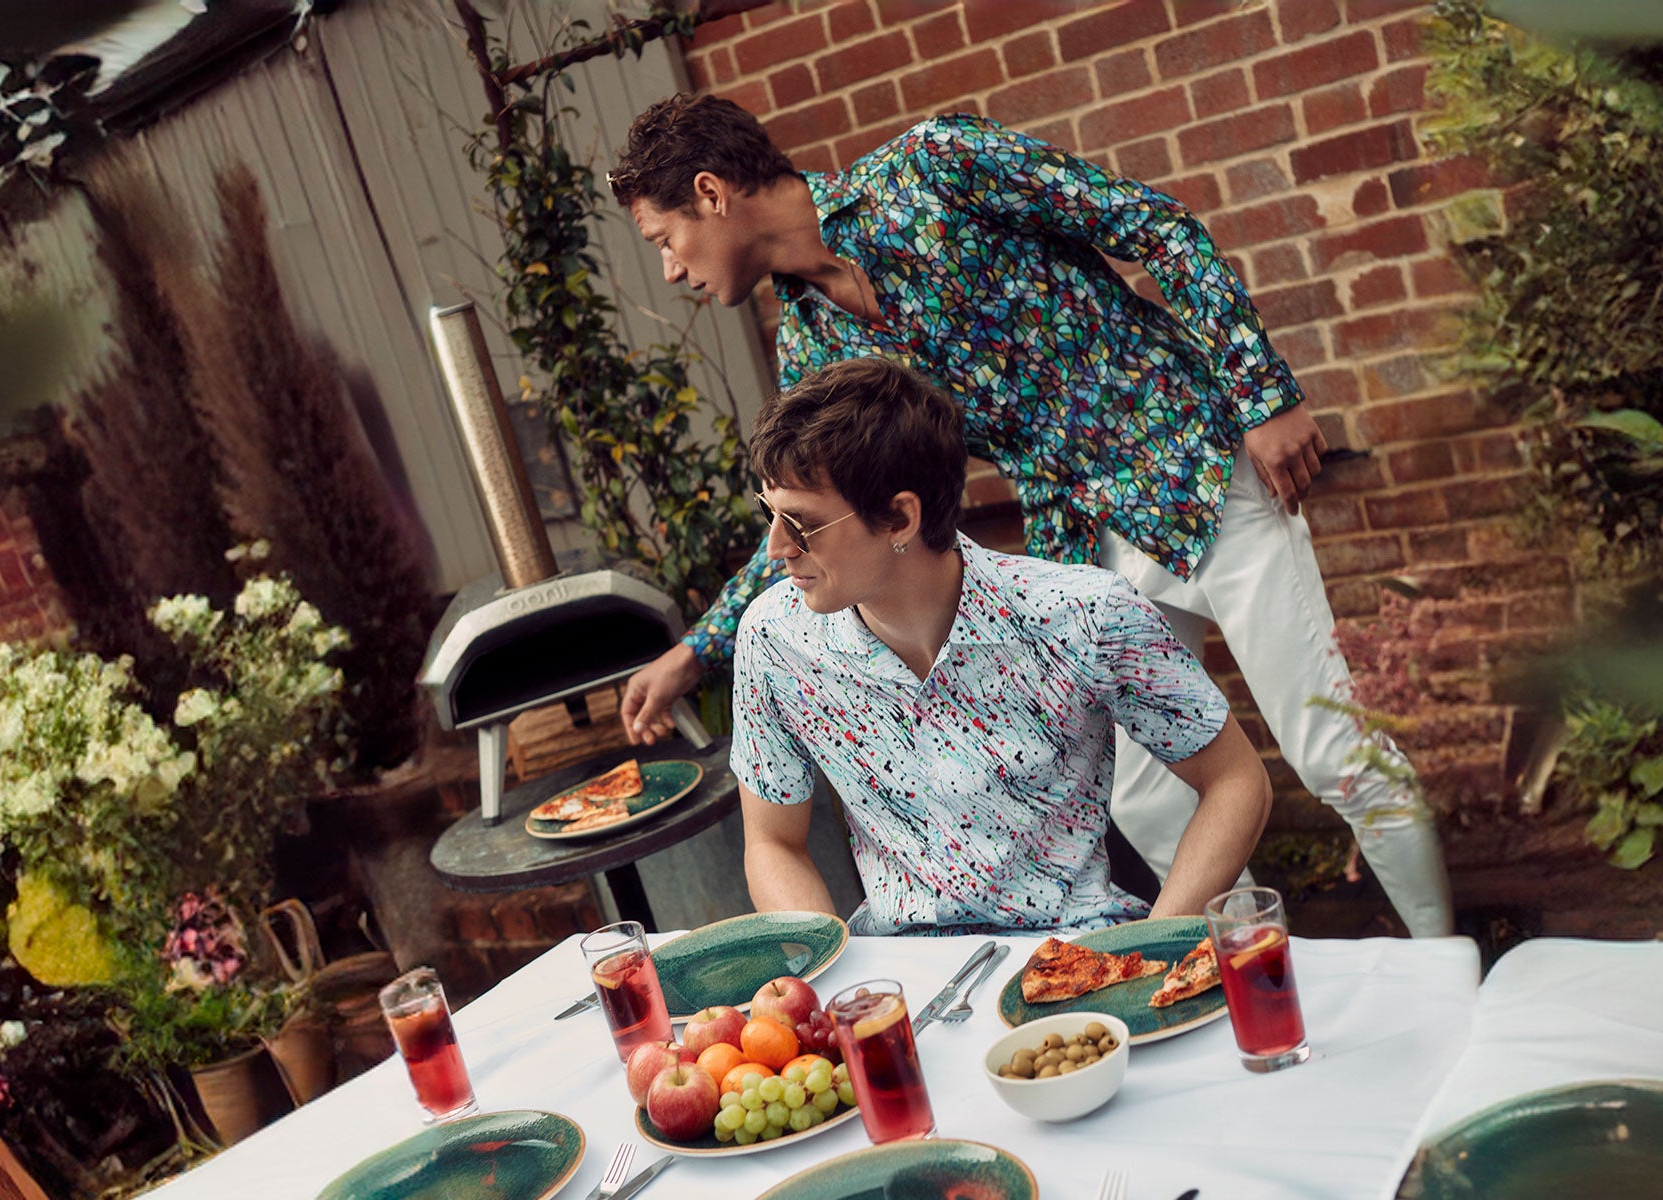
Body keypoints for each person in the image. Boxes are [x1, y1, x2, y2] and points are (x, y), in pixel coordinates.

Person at [606, 95, 1453, 935]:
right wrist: (695, 651)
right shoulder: (813, 347)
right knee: (1143, 796)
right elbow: (819, 521)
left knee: (1334, 753)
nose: (672, 269)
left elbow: (1156, 226)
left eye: (663, 239)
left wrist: (1263, 395)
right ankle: (1252, 960)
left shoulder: (935, 168)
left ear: (711, 193)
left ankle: (1445, 958)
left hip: (1194, 474)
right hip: (1078, 546)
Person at [728, 359, 1268, 935]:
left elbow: (1236, 781)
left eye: (800, 523)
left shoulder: (1086, 615)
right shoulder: (773, 639)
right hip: (901, 967)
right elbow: (773, 842)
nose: (776, 547)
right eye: (768, 512)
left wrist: (1155, 941)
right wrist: (830, 969)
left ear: (900, 518)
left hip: (1074, 954)